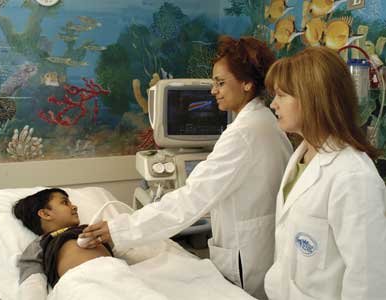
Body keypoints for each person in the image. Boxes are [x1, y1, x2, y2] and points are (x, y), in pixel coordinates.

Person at [80, 35, 293, 299]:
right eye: (214, 82)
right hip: (262, 248)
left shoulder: (244, 134)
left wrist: (120, 229)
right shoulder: (267, 122)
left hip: (247, 256)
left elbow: (192, 199)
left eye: (221, 83)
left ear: (248, 84)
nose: (213, 90)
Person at [264, 46, 386, 300]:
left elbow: (368, 280)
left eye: (282, 95)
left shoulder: (353, 176)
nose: (273, 104)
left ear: (313, 99)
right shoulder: (302, 157)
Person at [13, 188, 113, 288]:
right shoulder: (41, 243)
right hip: (82, 285)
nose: (74, 207)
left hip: (116, 273)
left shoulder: (92, 229)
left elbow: (120, 250)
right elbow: (32, 280)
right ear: (46, 214)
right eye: (65, 202)